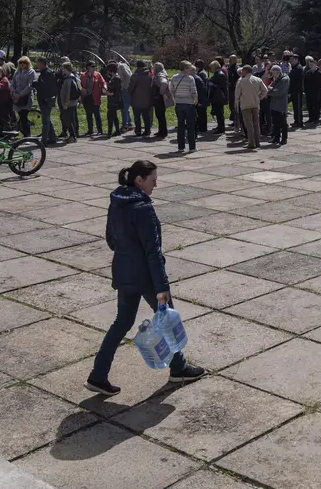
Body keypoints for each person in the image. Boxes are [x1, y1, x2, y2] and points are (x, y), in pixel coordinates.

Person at [85, 160, 206, 396]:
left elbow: (111, 239)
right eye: (153, 180)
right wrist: (161, 287)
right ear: (139, 180)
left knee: (121, 323)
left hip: (124, 272)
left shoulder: (117, 202)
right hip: (147, 276)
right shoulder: (143, 208)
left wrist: (127, 255)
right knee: (167, 319)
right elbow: (153, 251)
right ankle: (178, 367)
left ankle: (98, 375)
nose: (156, 185)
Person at [166, 61, 198, 153]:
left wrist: (175, 98)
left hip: (179, 104)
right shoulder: (190, 78)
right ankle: (192, 147)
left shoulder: (174, 77)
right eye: (189, 68)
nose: (191, 70)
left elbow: (171, 89)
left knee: (180, 126)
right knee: (190, 126)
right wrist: (195, 99)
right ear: (185, 68)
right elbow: (193, 91)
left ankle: (181, 147)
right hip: (189, 103)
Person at [234, 64, 267, 149]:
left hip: (245, 105)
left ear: (245, 71)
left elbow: (237, 94)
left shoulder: (241, 81)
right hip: (255, 104)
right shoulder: (258, 80)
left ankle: (251, 143)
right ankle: (257, 142)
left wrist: (237, 103)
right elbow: (265, 90)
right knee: (256, 124)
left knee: (249, 124)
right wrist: (259, 97)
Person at [128, 60, 154, 137]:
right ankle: (147, 131)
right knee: (146, 116)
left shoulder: (135, 75)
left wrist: (129, 91)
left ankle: (138, 131)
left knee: (137, 116)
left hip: (136, 99)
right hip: (147, 99)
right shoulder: (149, 75)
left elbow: (131, 88)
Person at [58, 62, 81, 142]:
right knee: (70, 119)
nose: (62, 70)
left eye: (63, 68)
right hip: (72, 102)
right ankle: (73, 135)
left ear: (66, 69)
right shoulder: (72, 77)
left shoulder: (69, 79)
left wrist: (66, 104)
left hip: (69, 103)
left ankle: (73, 136)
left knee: (68, 119)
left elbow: (68, 93)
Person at [81, 62, 106, 136]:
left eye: (94, 66)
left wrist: (105, 87)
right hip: (86, 98)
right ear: (88, 67)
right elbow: (80, 85)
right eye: (92, 66)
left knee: (97, 114)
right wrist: (82, 89)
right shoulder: (83, 75)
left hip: (95, 98)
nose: (94, 68)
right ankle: (90, 130)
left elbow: (103, 82)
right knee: (88, 115)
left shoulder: (97, 74)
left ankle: (100, 130)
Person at [267, 64, 290, 146]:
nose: (273, 75)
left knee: (282, 122)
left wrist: (270, 92)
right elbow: (270, 87)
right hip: (274, 104)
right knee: (275, 122)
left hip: (281, 104)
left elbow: (280, 92)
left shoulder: (285, 79)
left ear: (278, 72)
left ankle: (284, 138)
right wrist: (272, 90)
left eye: (273, 73)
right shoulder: (276, 78)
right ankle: (276, 137)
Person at [152, 62, 172, 139]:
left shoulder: (160, 75)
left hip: (160, 99)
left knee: (160, 115)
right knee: (159, 115)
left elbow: (164, 83)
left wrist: (160, 93)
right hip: (158, 98)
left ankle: (163, 132)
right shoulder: (159, 74)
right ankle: (161, 131)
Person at [208, 60, 228, 134]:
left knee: (219, 113)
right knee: (218, 112)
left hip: (218, 96)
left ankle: (221, 128)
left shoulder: (219, 74)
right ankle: (219, 126)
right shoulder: (218, 73)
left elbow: (223, 86)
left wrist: (212, 84)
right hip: (216, 96)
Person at [104, 63, 122, 137]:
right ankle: (117, 130)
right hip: (112, 100)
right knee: (114, 116)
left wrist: (108, 91)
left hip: (114, 100)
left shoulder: (116, 78)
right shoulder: (113, 78)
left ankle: (109, 132)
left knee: (110, 116)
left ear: (111, 70)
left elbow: (115, 90)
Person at [288, 54, 305, 129]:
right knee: (295, 107)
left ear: (296, 59)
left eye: (292, 59)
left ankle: (299, 122)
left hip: (297, 90)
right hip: (293, 90)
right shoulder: (294, 67)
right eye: (290, 59)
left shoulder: (298, 68)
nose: (291, 61)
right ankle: (296, 120)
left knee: (298, 107)